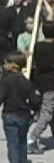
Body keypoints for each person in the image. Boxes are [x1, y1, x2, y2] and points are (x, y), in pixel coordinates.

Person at [28, 21, 54, 154]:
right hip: (51, 83)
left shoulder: (38, 46)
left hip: (41, 81)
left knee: (50, 110)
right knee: (47, 112)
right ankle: (32, 139)